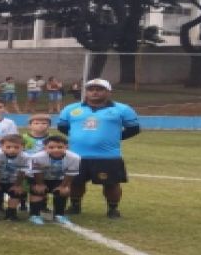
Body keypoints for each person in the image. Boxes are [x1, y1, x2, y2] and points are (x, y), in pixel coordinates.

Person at [57, 78, 140, 219]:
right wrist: (79, 138)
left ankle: (113, 209)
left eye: (99, 89)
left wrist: (113, 138)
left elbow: (133, 129)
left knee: (111, 184)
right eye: (91, 89)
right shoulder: (71, 109)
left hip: (108, 156)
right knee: (75, 182)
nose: (94, 92)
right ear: (86, 91)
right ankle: (75, 205)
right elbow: (63, 127)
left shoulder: (122, 109)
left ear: (108, 92)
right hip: (77, 155)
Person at [27, 135, 81, 225]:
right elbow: (37, 172)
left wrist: (63, 186)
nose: (56, 150)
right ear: (45, 148)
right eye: (51, 147)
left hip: (59, 178)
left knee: (63, 191)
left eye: (60, 147)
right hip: (38, 178)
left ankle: (59, 214)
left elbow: (70, 174)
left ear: (66, 147)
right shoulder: (37, 157)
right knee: (38, 191)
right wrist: (40, 184)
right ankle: (35, 215)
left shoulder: (75, 158)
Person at [0, 134, 32, 222]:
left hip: (14, 180)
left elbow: (22, 172)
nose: (12, 150)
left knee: (16, 192)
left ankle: (11, 214)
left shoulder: (25, 157)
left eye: (16, 147)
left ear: (23, 147)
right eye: (8, 147)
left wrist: (17, 185)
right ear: (1, 147)